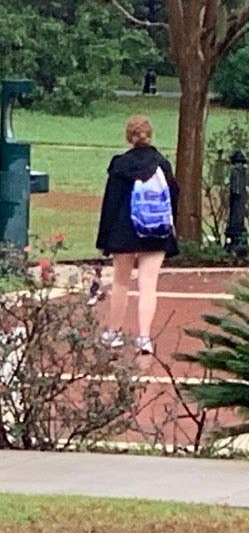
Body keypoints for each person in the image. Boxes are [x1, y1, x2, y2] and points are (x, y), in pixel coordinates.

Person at [95, 114, 179, 356]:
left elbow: (110, 204)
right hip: (156, 233)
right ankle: (144, 338)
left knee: (121, 283)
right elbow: (173, 198)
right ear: (149, 134)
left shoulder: (120, 165)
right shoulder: (162, 164)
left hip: (125, 232)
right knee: (148, 285)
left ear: (129, 137)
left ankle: (113, 332)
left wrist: (104, 241)